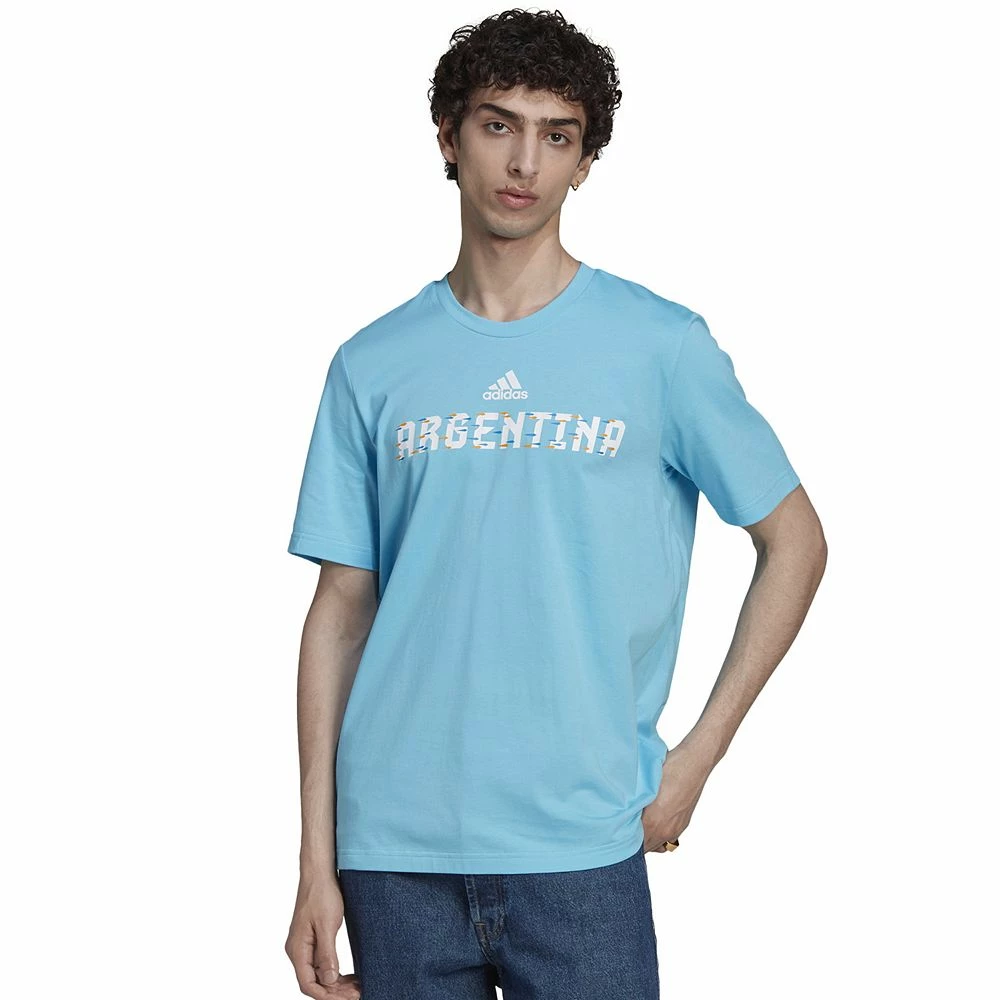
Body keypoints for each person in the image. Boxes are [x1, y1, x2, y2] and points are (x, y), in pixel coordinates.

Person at [283, 8, 827, 999]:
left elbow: (794, 540)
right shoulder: (372, 363)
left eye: (558, 135)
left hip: (581, 843)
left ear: (584, 161)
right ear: (449, 137)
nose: (525, 162)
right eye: (498, 125)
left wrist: (695, 761)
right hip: (393, 850)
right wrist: (315, 859)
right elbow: (340, 613)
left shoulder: (659, 346)